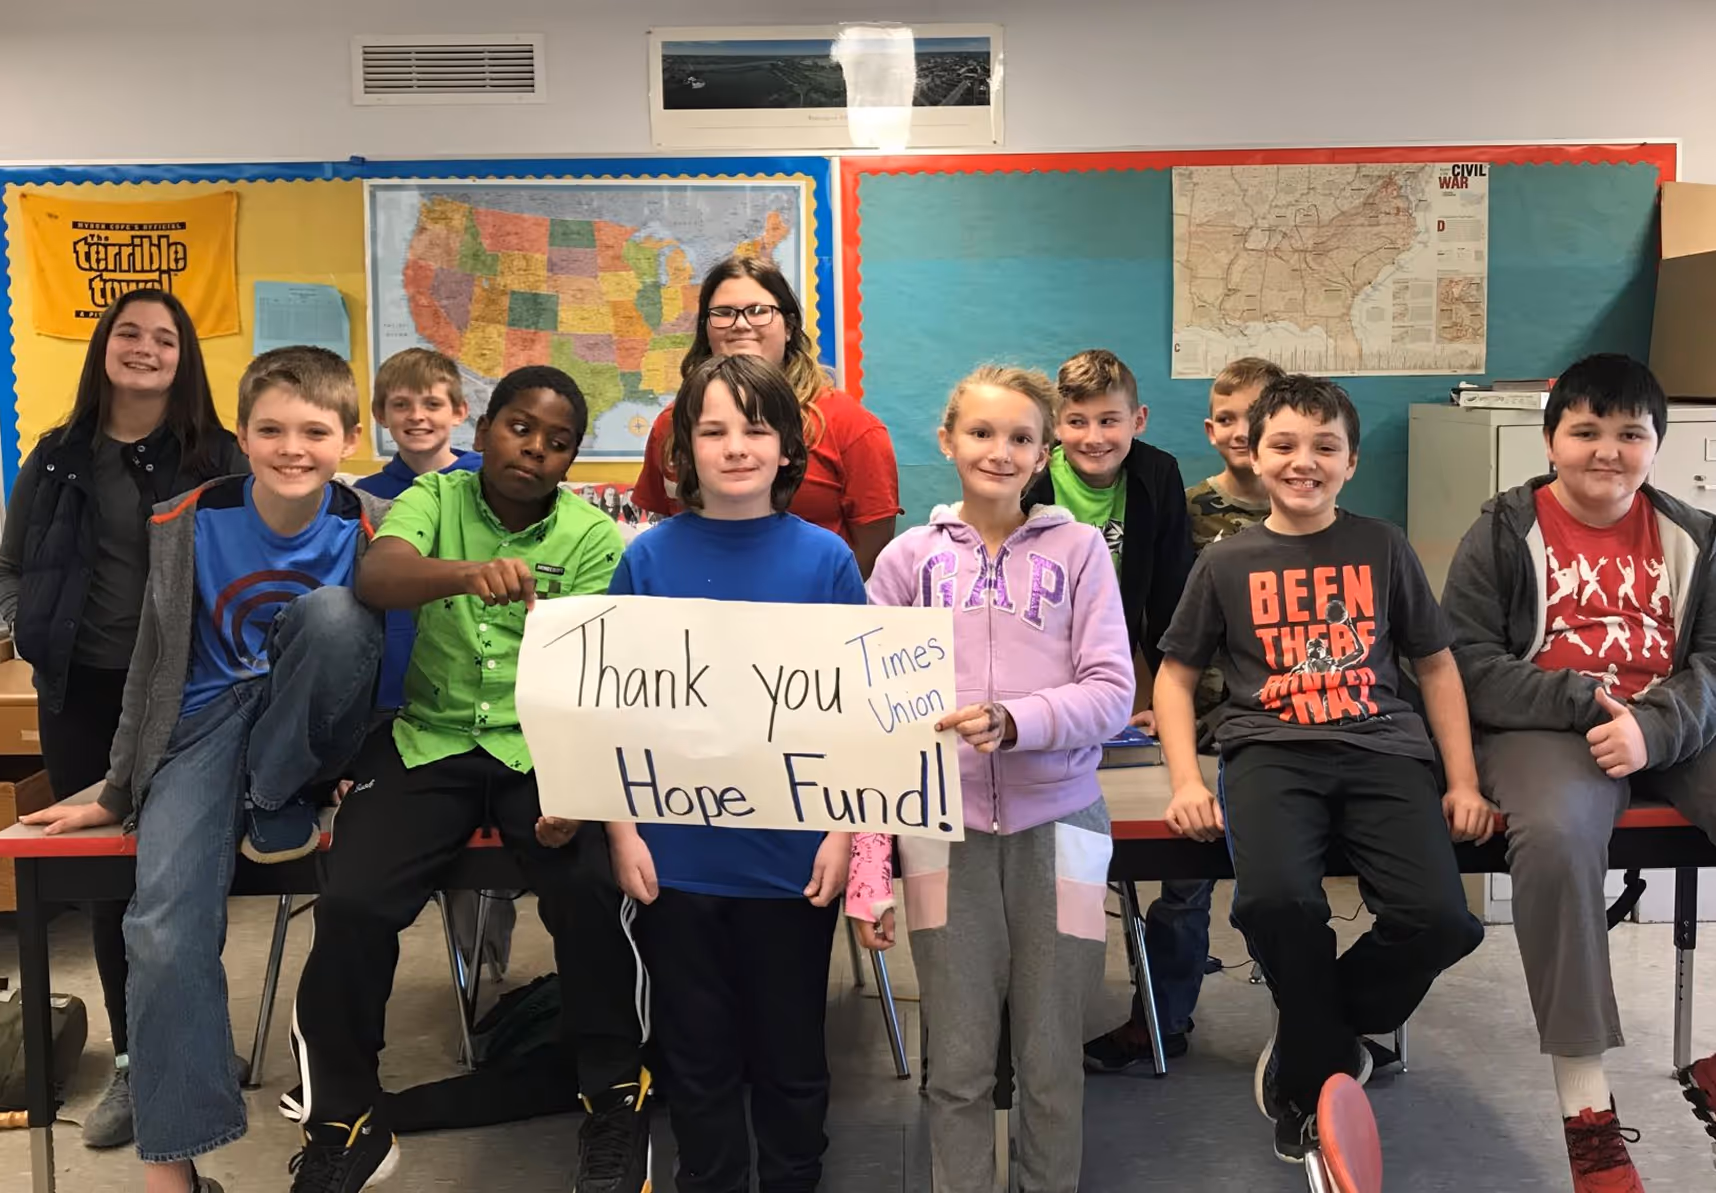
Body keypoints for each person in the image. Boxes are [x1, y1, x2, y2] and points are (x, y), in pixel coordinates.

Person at [23, 345, 387, 1193]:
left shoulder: (372, 522)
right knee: (158, 930)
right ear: (243, 434)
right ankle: (173, 1168)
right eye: (270, 429)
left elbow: (389, 663)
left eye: (314, 430)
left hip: (307, 733)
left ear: (348, 437)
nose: (292, 447)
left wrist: (356, 762)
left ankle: (274, 793)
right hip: (204, 727)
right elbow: (154, 662)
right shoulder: (188, 517)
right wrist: (114, 790)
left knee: (335, 617)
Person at [284, 365, 651, 1193]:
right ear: (483, 429)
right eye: (521, 428)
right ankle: (347, 1117)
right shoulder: (437, 502)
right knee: (350, 900)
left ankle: (614, 1099)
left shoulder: (592, 537)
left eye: (559, 443)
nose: (536, 450)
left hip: (541, 746)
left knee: (593, 888)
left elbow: (595, 671)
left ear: (572, 460)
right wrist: (465, 573)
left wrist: (575, 785)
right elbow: (376, 578)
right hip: (431, 742)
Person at [1153, 374, 1489, 1164]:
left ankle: (1314, 1029)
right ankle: (1312, 1085)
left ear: (1351, 461)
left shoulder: (1382, 545)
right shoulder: (1226, 561)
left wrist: (1463, 779)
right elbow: (1173, 676)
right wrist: (1185, 780)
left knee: (1443, 920)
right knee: (1275, 903)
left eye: (1324, 446)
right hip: (1270, 752)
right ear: (1254, 452)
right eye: (1284, 445)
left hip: (1384, 750)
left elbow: (1435, 665)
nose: (1304, 461)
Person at [850, 365, 1134, 1193]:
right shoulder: (907, 561)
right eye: (981, 433)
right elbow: (870, 715)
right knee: (960, 1057)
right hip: (940, 836)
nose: (999, 451)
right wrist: (871, 868)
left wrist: (1018, 719)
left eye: (1020, 438)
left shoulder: (1079, 552)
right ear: (947, 440)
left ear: (1045, 452)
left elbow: (1112, 692)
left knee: (1053, 1055)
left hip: (1066, 830)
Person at [1443, 354, 1716, 1193]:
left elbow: (1712, 661)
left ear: (1656, 446)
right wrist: (1581, 703)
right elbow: (1464, 660)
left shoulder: (1696, 536)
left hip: (1665, 721)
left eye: (1630, 433)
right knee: (1558, 841)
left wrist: (1655, 727)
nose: (1608, 450)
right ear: (1551, 438)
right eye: (1586, 430)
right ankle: (1588, 1114)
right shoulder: (1500, 530)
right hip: (1545, 724)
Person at [607, 353, 876, 1193]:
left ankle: (796, 1178)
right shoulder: (646, 561)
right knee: (696, 1050)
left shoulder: (827, 562)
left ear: (788, 448)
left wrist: (843, 835)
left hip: (792, 863)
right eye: (712, 429)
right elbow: (609, 711)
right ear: (681, 451)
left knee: (793, 1050)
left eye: (755, 429)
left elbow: (856, 713)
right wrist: (621, 833)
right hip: (674, 861)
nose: (735, 447)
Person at [2, 288, 245, 1149]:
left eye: (165, 339)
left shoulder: (215, 455)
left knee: (178, 876)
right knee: (114, 880)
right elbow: (11, 562)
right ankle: (139, 1059)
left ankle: (190, 1040)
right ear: (103, 345)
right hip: (85, 688)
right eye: (129, 333)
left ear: (186, 359)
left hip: (189, 689)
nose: (145, 348)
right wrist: (26, 627)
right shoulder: (59, 453)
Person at [1017, 348, 1200, 1071]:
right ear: (1055, 427)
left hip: (1130, 663)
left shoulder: (1156, 474)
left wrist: (1161, 697)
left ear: (1138, 420)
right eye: (1078, 421)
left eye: (1111, 421)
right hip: (1043, 675)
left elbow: (1169, 603)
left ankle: (1163, 1009)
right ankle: (1043, 1008)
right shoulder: (1030, 471)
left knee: (1178, 846)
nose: (1095, 436)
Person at [630, 255, 900, 576]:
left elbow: (873, 551)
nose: (741, 324)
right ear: (706, 331)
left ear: (788, 327)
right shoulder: (671, 425)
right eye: (724, 313)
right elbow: (664, 524)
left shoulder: (852, 427)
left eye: (759, 311)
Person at [355, 347, 482, 711]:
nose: (417, 417)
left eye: (432, 404)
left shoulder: (488, 483)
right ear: (380, 414)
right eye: (401, 405)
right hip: (389, 679)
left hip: (470, 673)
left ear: (459, 412)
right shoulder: (363, 496)